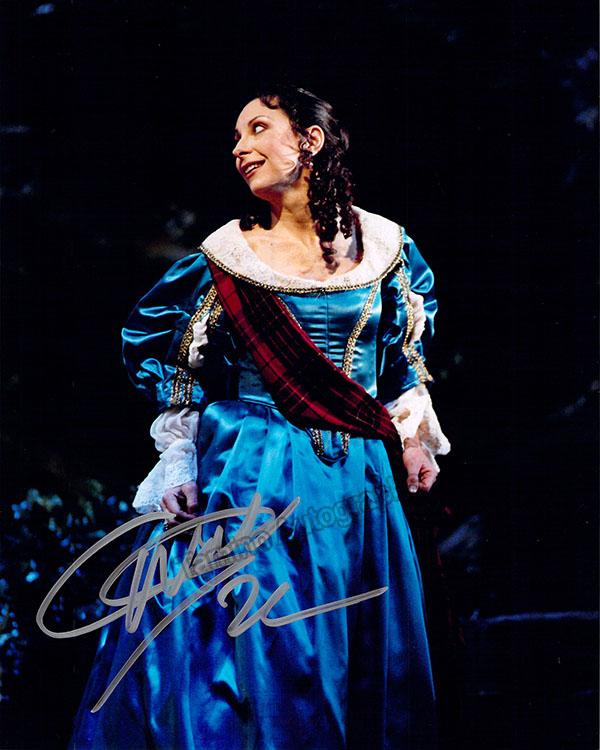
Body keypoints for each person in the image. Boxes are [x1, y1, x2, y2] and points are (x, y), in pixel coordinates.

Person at [69, 84, 451, 749]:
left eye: (257, 128)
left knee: (354, 647)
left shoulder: (387, 247)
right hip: (253, 469)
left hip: (360, 476)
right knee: (261, 648)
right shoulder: (229, 257)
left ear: (310, 139)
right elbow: (180, 367)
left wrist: (415, 439)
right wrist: (179, 460)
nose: (240, 148)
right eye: (235, 138)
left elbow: (404, 358)